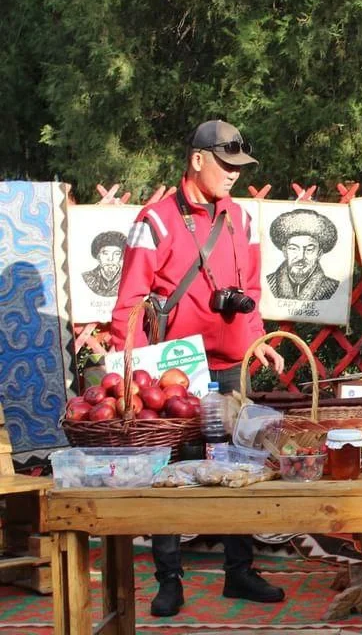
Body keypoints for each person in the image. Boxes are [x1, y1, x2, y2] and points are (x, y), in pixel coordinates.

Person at [111, 119, 286, 618]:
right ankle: (169, 580)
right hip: (174, 369)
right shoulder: (156, 221)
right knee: (169, 470)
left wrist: (258, 339)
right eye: (225, 164)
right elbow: (130, 301)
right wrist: (128, 372)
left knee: (240, 465)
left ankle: (239, 572)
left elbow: (250, 290)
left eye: (240, 167)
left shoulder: (242, 219)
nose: (234, 174)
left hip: (231, 363)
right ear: (196, 160)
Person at [266, 208, 340, 300]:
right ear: (285, 251)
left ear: (319, 253)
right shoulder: (267, 284)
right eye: (293, 248)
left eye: (309, 249)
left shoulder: (333, 288)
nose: (301, 257)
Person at [83, 230, 127, 296]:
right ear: (98, 256)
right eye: (105, 253)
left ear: (121, 256)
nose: (110, 259)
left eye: (117, 254)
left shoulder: (129, 278)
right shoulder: (87, 278)